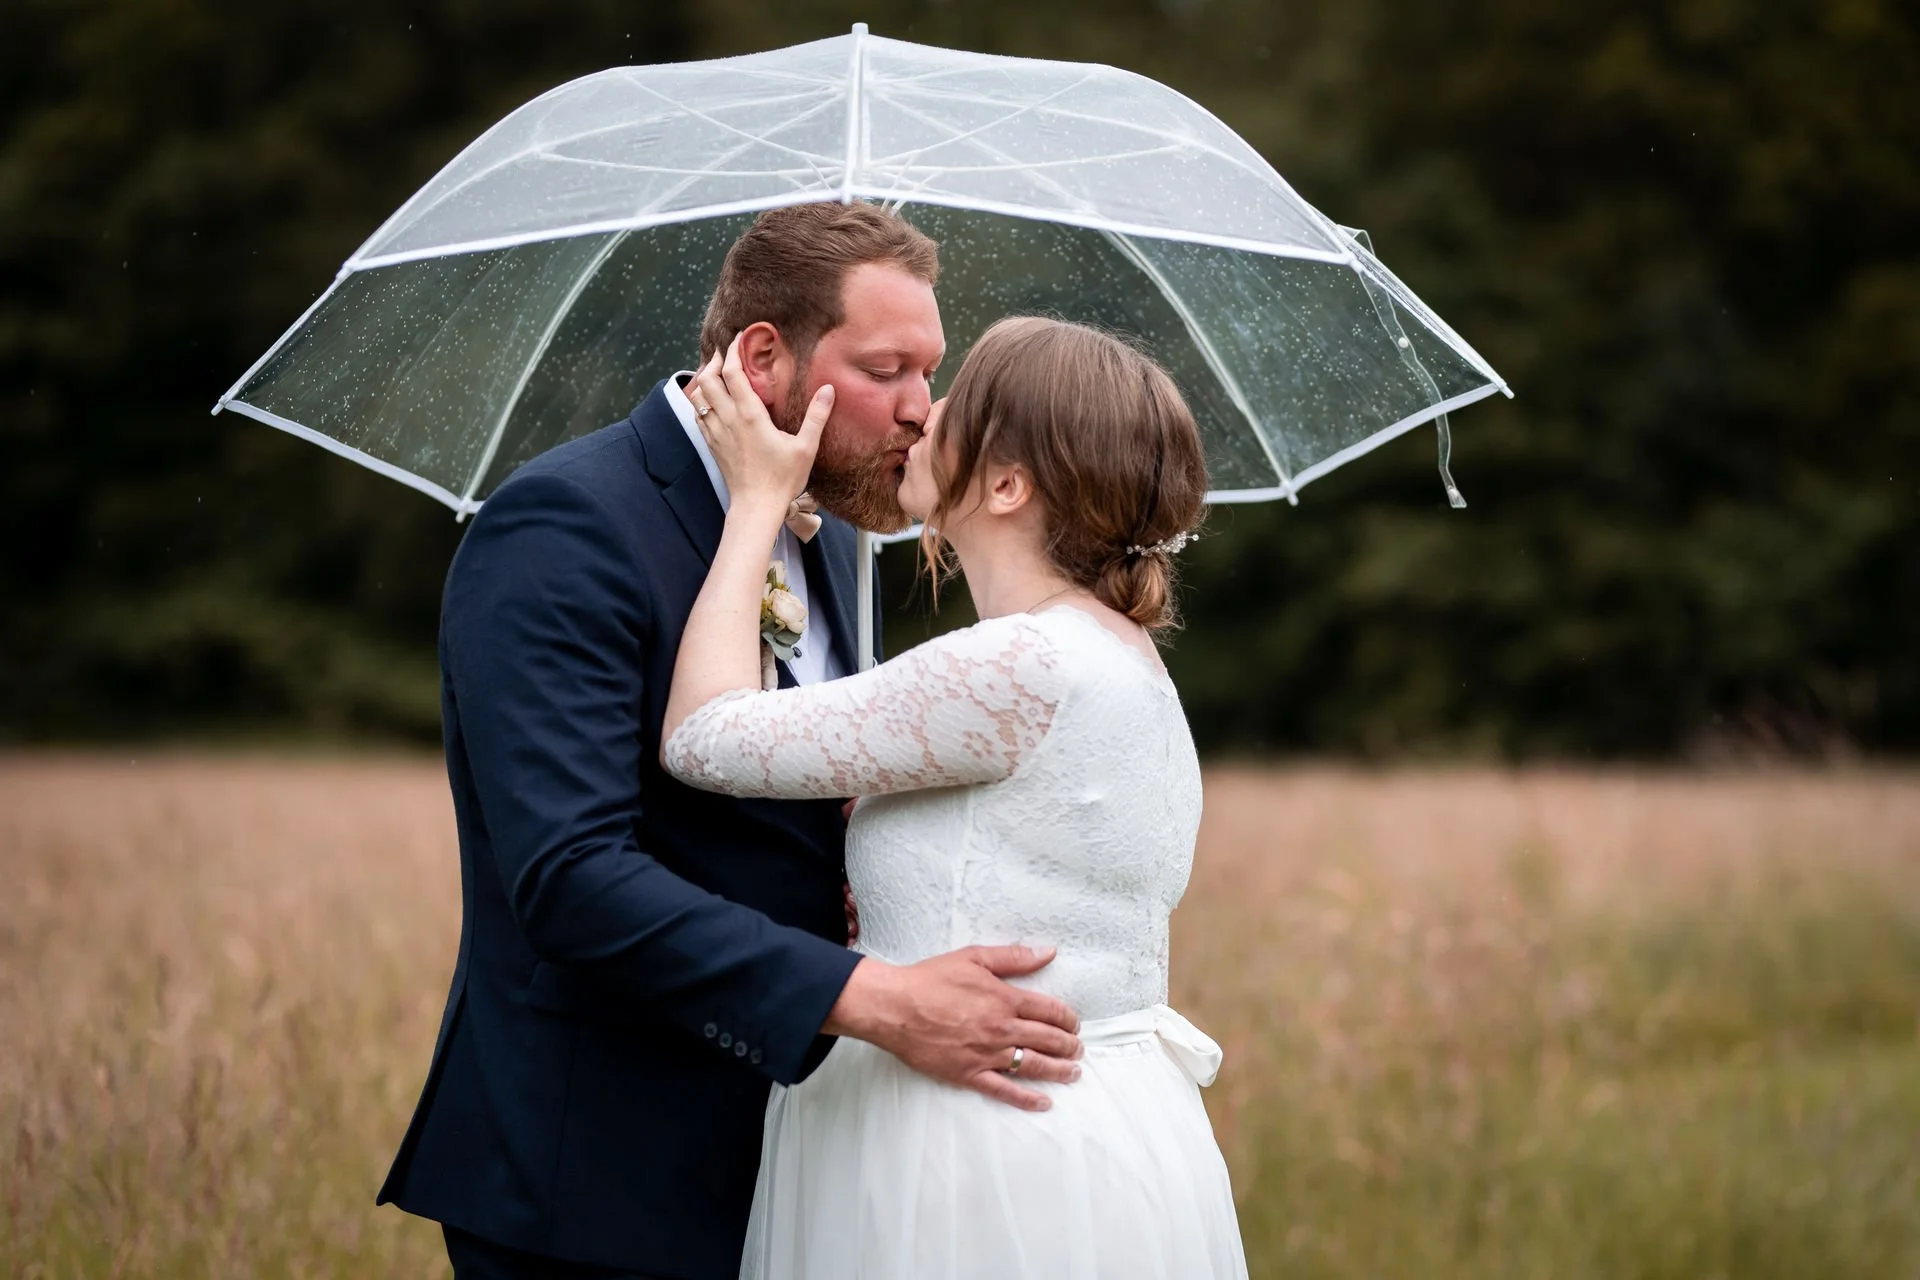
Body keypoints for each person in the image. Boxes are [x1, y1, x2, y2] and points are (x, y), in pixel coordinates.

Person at [377, 204, 1084, 1280]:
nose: (921, 409)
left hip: (797, 1153)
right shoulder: (563, 525)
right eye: (887, 370)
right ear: (764, 359)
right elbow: (570, 877)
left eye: (929, 371)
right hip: (598, 1168)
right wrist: (880, 1001)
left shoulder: (834, 531)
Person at [663, 316, 1249, 1278]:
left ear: (1008, 486)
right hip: (1097, 1119)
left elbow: (704, 740)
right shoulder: (1119, 653)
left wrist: (757, 501)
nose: (923, 413)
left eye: (955, 399)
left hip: (974, 1149)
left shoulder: (1015, 663)